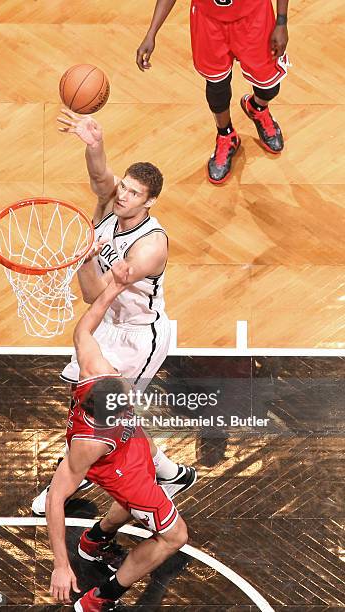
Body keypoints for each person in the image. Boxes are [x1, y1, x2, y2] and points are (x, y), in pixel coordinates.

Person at [31, 111, 196, 515]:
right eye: (124, 187)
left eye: (134, 193)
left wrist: (85, 258)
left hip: (139, 336)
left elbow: (93, 295)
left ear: (150, 201)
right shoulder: (111, 204)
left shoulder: (150, 245)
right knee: (89, 403)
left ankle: (63, 486)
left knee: (104, 416)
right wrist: (94, 144)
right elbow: (101, 175)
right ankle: (169, 471)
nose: (123, 195)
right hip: (108, 324)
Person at [47, 261, 188, 611]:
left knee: (148, 457)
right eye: (125, 396)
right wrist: (61, 566)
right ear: (112, 413)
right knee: (175, 536)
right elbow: (55, 500)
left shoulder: (96, 370)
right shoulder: (89, 443)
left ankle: (95, 541)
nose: (128, 386)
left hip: (127, 442)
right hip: (116, 468)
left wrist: (116, 286)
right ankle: (101, 598)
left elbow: (84, 328)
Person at [136, 0, 290, 184]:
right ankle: (226, 135)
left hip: (254, 16)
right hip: (208, 20)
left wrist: (281, 21)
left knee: (269, 87)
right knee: (217, 86)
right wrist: (151, 33)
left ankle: (256, 108)